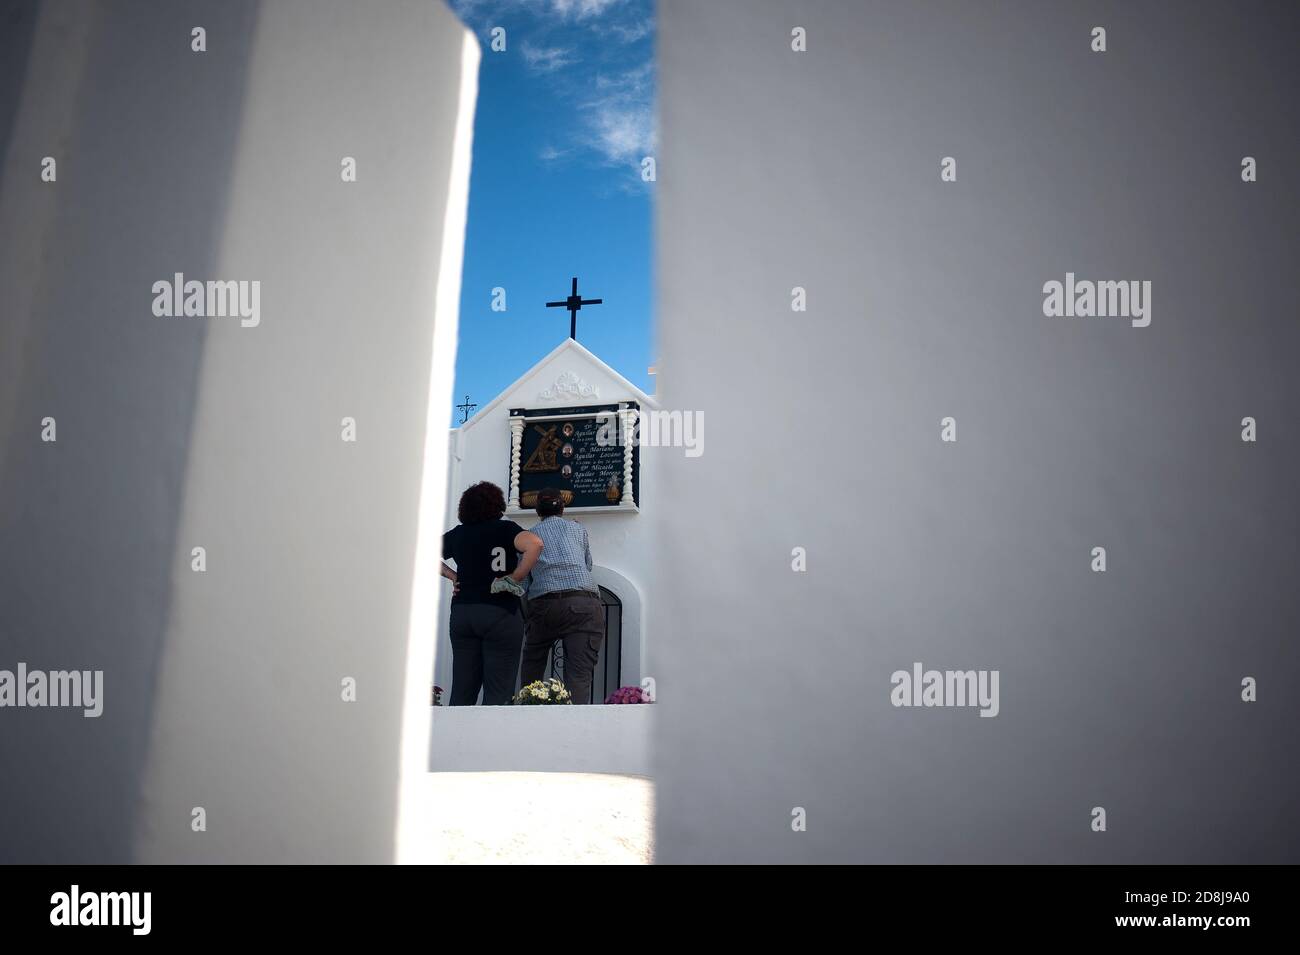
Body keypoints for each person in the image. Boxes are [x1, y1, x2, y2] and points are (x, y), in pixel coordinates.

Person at [440, 482, 542, 705]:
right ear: (498, 504)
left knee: (462, 690)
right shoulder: (505, 529)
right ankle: (490, 739)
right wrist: (516, 577)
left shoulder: (458, 534)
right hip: (500, 612)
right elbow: (535, 544)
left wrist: (453, 576)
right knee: (498, 692)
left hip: (463, 613)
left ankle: (456, 738)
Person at [519, 488, 605, 704]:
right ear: (563, 508)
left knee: (533, 668)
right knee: (578, 675)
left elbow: (526, 582)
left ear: (537, 510)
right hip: (583, 602)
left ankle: (529, 715)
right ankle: (575, 729)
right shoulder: (578, 529)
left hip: (544, 604)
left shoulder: (529, 536)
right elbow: (588, 565)